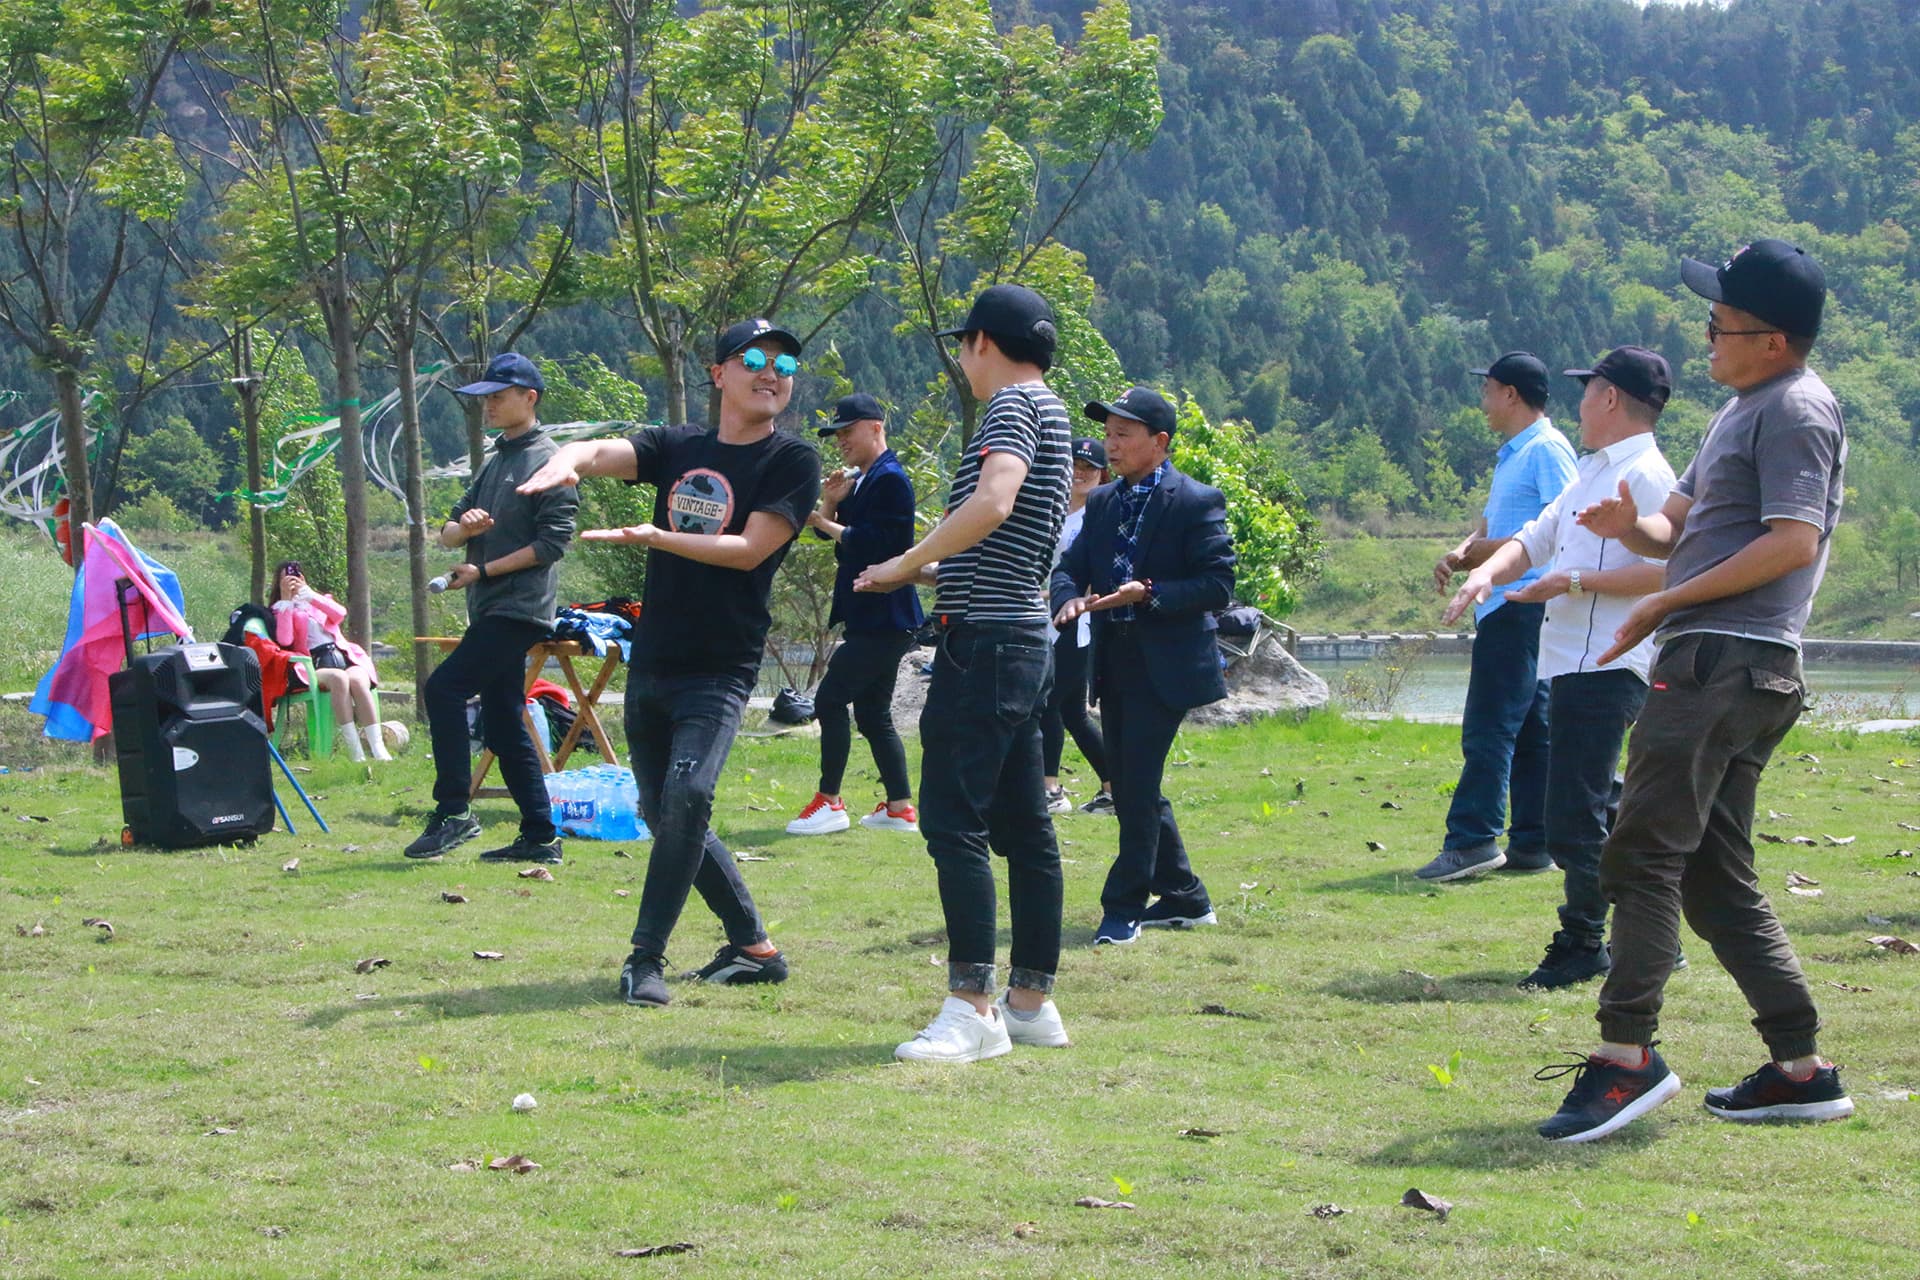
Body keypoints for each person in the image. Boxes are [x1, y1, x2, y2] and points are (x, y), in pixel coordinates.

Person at [1536, 239, 1854, 1142]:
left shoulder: (1795, 409)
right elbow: (1673, 531)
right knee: (1714, 877)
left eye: (1722, 324)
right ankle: (1800, 1069)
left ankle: (1625, 1058)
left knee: (1639, 852)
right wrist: (1627, 528)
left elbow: (1793, 540)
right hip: (1728, 659)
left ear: (1774, 339)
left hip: (1723, 659)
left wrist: (1667, 600)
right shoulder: (1737, 411)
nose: (1706, 335)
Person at [518, 318, 821, 1007]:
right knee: (662, 810)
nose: (770, 373)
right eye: (753, 358)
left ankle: (644, 957)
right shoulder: (679, 446)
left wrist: (658, 536)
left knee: (688, 797)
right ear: (719, 374)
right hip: (653, 661)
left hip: (721, 668)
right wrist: (570, 458)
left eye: (783, 366)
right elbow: (605, 451)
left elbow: (748, 549)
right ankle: (754, 948)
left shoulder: (792, 461)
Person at [854, 283, 1072, 1063]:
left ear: (982, 342)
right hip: (1022, 638)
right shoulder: (1054, 411)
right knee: (1027, 829)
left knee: (952, 823)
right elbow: (1009, 548)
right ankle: (1030, 1005)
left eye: (964, 347)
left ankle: (972, 1008)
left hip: (984, 646)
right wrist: (923, 572)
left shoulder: (1011, 406)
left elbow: (994, 502)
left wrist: (905, 561)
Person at [1442, 348, 1678, 989]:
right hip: (1571, 661)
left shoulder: (1648, 475)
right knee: (1597, 804)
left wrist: (1572, 582)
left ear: (1610, 397)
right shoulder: (1592, 470)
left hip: (1609, 661)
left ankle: (1586, 942)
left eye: (1588, 390)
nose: (1580, 403)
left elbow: (1668, 571)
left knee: (1574, 818)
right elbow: (1536, 537)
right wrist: (1485, 577)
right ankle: (1646, 932)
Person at [1052, 387, 1236, 946]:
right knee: (1135, 783)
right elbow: (1070, 566)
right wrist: (1068, 596)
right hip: (1115, 661)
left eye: (1123, 435)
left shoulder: (1196, 500)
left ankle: (1123, 907)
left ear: (1159, 442)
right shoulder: (1103, 502)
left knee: (1132, 787)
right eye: (1108, 434)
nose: (1111, 445)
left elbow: (1217, 585)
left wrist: (1150, 593)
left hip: (1169, 665)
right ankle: (1185, 896)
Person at [404, 353, 577, 864]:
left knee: (444, 688)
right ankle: (541, 837)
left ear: (530, 397)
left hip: (518, 610)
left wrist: (483, 570)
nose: (489, 407)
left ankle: (454, 812)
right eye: (485, 399)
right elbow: (448, 531)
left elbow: (552, 545)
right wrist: (465, 531)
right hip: (489, 608)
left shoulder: (552, 463)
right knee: (502, 721)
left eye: (498, 397)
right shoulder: (496, 459)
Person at [1422, 352, 1578, 881]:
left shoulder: (1547, 449)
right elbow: (1498, 524)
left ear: (1511, 394)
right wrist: (1464, 550)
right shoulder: (1514, 454)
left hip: (1523, 605)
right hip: (1506, 606)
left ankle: (1472, 840)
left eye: (1487, 390)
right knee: (1531, 727)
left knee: (1489, 723)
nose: (1483, 401)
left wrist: (1484, 555)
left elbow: (1563, 527)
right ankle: (1534, 841)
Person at [786, 392, 925, 836]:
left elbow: (880, 544)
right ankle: (899, 807)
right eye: (837, 434)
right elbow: (838, 539)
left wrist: (822, 520)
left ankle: (829, 801)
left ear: (875, 427)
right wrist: (830, 502)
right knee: (873, 714)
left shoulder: (891, 480)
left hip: (886, 616)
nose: (841, 440)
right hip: (874, 617)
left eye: (848, 431)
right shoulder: (863, 478)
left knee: (828, 700)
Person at [1041, 438, 1114, 816]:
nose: (1080, 473)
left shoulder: (1098, 516)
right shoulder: (1051, 511)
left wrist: (1056, 595)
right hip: (1045, 619)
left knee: (1049, 702)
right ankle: (1114, 788)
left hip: (1078, 622)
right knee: (1072, 713)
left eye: (1090, 468)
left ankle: (1050, 789)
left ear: (1103, 475)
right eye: (1075, 465)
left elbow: (1096, 576)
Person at [269, 560, 389, 762]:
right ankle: (355, 750)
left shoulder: (318, 601)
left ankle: (378, 748)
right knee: (339, 679)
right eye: (286, 578)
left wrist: (309, 594)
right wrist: (286, 600)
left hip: (343, 655)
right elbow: (285, 639)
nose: (292, 581)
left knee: (358, 680)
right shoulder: (280, 609)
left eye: (295, 576)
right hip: (314, 663)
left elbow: (340, 614)